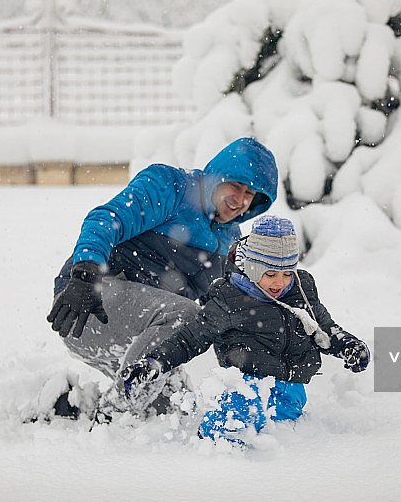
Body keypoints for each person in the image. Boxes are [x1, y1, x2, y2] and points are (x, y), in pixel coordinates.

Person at [45, 137, 279, 419]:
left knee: (175, 409)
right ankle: (113, 416)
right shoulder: (172, 186)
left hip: (145, 330)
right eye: (236, 186)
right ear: (217, 176)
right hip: (87, 303)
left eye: (251, 194)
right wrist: (85, 273)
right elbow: (107, 219)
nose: (240, 200)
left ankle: (70, 405)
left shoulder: (229, 240)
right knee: (185, 316)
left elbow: (223, 309)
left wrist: (262, 356)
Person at [121, 215, 369, 444]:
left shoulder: (301, 289)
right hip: (246, 384)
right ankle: (214, 451)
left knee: (284, 435)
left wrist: (348, 345)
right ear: (253, 268)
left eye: (287, 273)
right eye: (270, 274)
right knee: (235, 424)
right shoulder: (230, 298)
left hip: (290, 386)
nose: (280, 283)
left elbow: (324, 329)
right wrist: (154, 362)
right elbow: (190, 338)